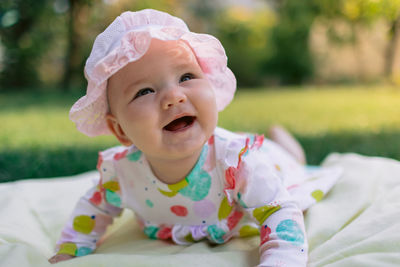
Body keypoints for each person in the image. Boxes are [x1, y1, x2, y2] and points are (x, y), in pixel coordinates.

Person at [49, 9, 341, 266]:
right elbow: (94, 208)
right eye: (145, 91)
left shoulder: (237, 163)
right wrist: (72, 248)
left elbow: (279, 212)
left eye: (186, 77)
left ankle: (283, 142)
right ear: (121, 130)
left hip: (272, 167)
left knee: (291, 160)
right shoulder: (120, 173)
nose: (173, 97)